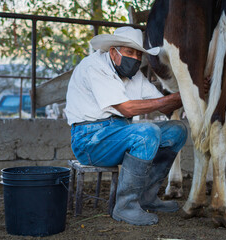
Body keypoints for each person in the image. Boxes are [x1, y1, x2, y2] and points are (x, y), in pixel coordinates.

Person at [65, 26, 187, 226]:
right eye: (130, 52)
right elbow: (127, 109)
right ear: (114, 51)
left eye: (139, 55)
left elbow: (163, 104)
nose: (136, 59)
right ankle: (125, 207)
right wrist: (175, 98)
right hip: (90, 140)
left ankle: (147, 197)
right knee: (147, 132)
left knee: (177, 130)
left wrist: (191, 91)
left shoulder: (134, 76)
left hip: (120, 133)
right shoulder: (94, 66)